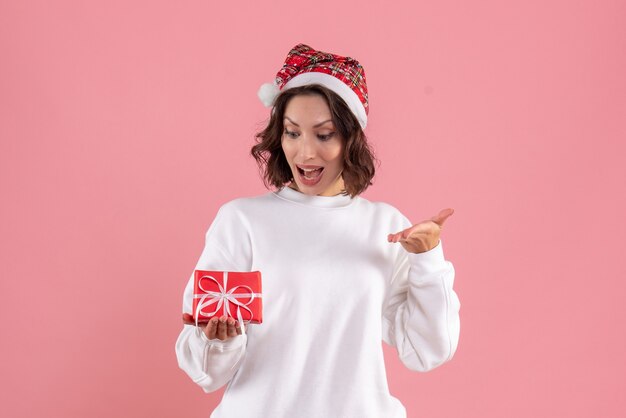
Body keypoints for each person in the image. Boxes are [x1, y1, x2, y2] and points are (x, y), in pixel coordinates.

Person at [175, 43, 461, 418]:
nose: (305, 153)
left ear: (351, 139)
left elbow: (427, 351)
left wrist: (428, 260)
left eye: (323, 135)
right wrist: (218, 340)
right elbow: (205, 373)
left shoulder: (386, 226)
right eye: (292, 133)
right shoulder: (242, 221)